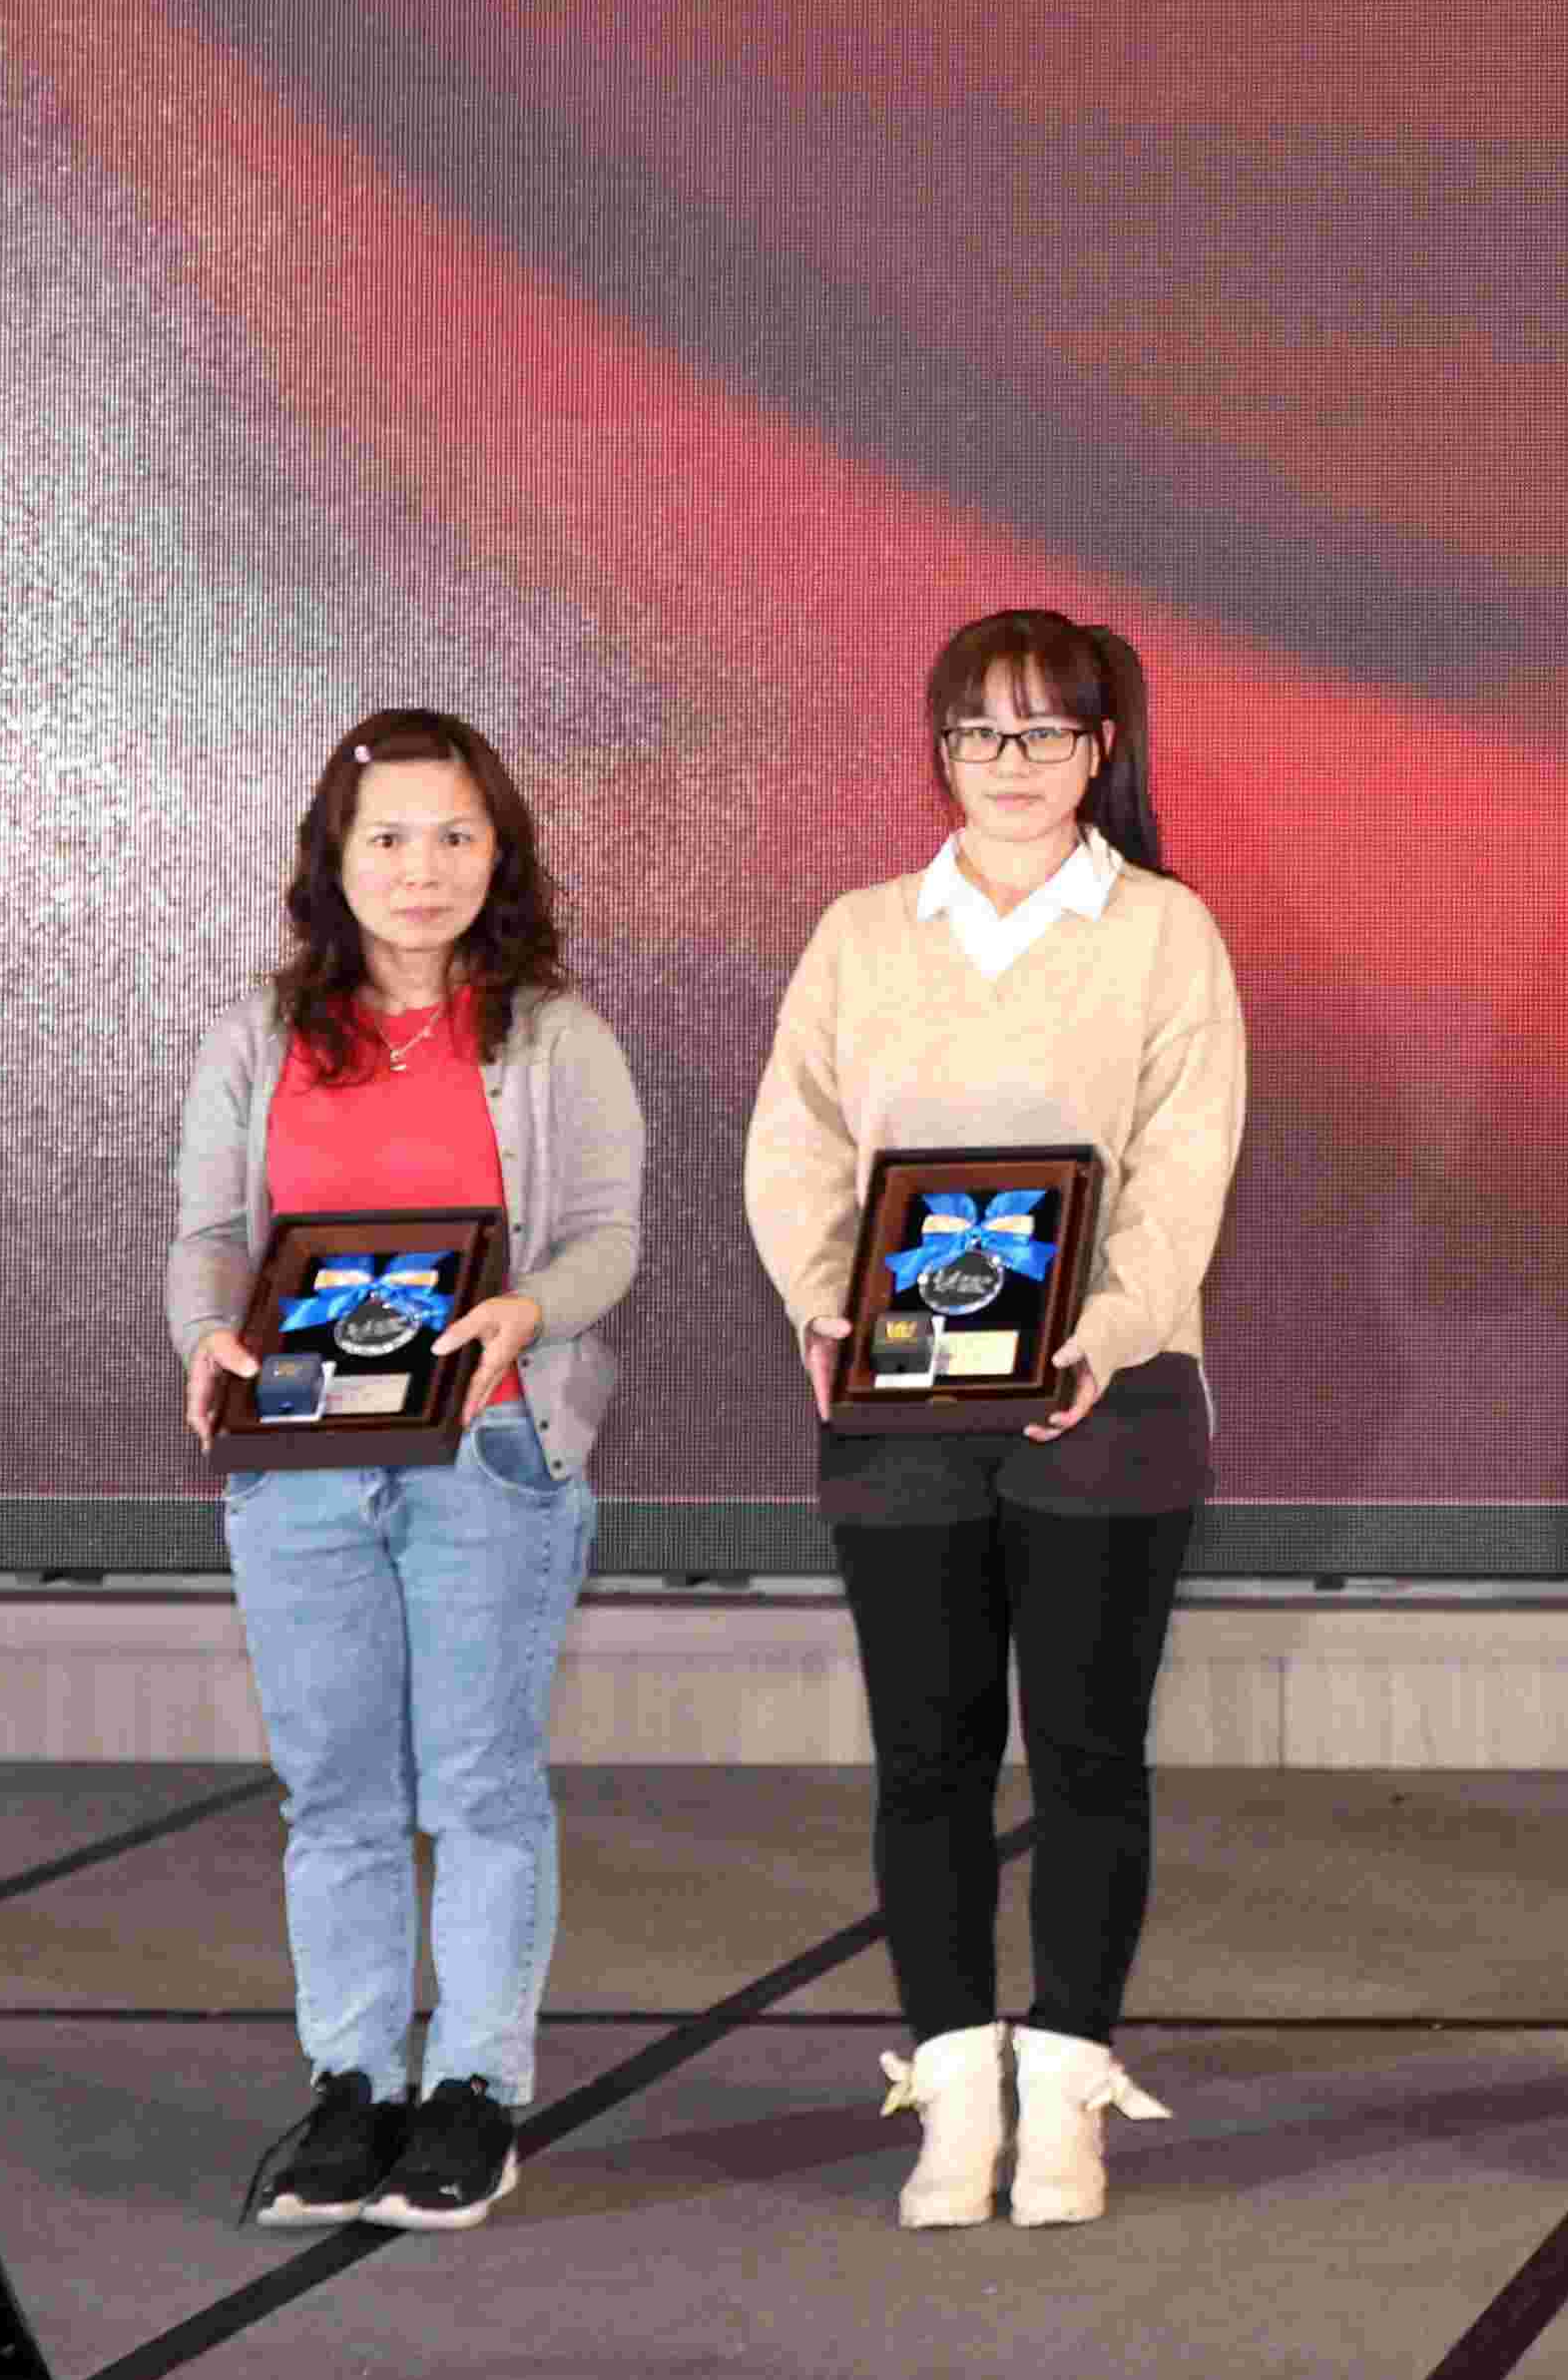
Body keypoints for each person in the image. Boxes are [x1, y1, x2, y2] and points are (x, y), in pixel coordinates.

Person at [745, 609, 1250, 2231]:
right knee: (927, 1761)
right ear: (941, 749)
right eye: (980, 731)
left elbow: (1184, 1165)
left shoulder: (1165, 931)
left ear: (1100, 749)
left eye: (1045, 732)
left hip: (1112, 1397)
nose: (1011, 762)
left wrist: (1103, 1332)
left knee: (1090, 1758)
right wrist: (823, 1306)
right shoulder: (860, 934)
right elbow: (795, 1148)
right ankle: (953, 2094)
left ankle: (1070, 2090)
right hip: (898, 1408)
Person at [168, 707, 645, 2235]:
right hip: (299, 1467)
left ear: (499, 854)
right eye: (388, 837)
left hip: (490, 1452)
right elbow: (209, 1239)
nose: (420, 867)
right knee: (335, 1792)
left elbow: (607, 1239)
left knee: (480, 1782)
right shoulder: (255, 1035)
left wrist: (529, 1310)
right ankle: (352, 2084)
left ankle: (474, 2092)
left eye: (454, 835)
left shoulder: (556, 1036)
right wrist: (206, 1333)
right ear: (336, 856)